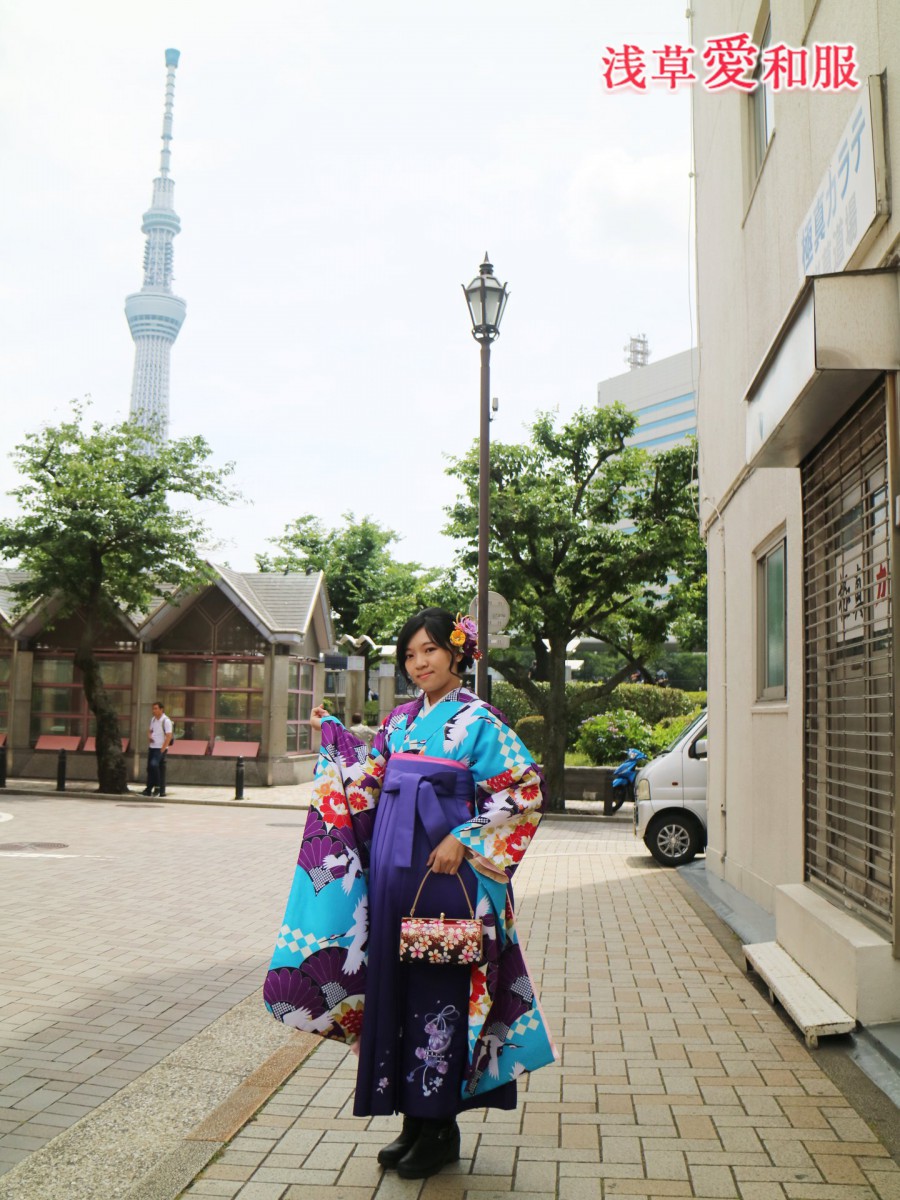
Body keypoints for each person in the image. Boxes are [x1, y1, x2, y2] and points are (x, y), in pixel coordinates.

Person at [265, 609, 555, 1180]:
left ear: (456, 653)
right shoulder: (399, 721)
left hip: (451, 878)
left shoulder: (480, 721)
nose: (419, 663)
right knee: (396, 992)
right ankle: (413, 1120)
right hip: (394, 878)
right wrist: (336, 739)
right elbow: (366, 782)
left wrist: (462, 837)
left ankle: (440, 1126)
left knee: (439, 989)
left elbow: (526, 789)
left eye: (430, 650)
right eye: (410, 655)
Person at [142, 701, 172, 797]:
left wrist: (163, 749)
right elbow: (150, 731)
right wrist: (149, 736)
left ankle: (158, 787)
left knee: (154, 765)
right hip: (152, 747)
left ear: (161, 709)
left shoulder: (166, 721)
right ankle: (148, 789)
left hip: (160, 748)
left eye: (155, 708)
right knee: (150, 768)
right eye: (153, 709)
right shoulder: (153, 719)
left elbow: (169, 736)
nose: (153, 711)